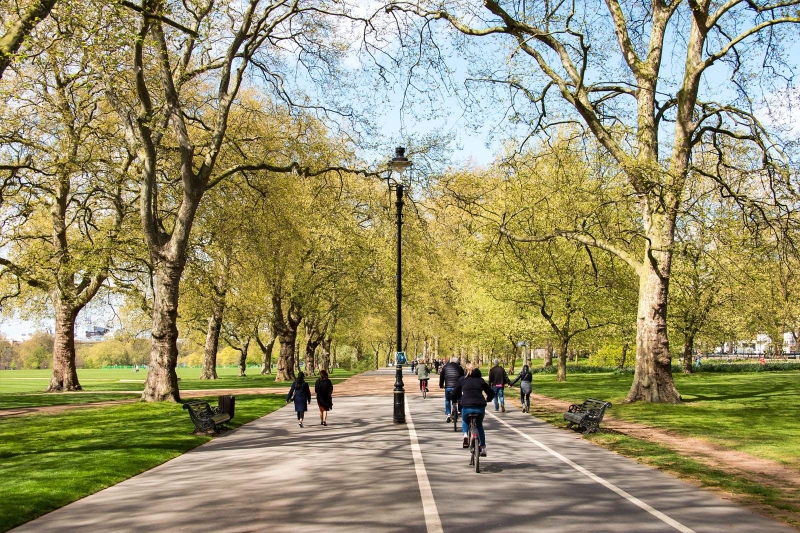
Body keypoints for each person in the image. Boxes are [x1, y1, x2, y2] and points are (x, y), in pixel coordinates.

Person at [453, 366, 494, 457]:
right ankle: (483, 447)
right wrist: (488, 399)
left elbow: (455, 392)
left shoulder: (462, 380)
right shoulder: (481, 381)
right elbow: (491, 393)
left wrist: (454, 399)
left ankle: (465, 435)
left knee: (465, 420)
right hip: (479, 407)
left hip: (466, 406)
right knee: (479, 425)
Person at [439, 357, 464, 422]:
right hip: (457, 387)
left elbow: (441, 377)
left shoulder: (445, 367)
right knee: (460, 398)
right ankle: (460, 411)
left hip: (448, 387)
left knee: (447, 400)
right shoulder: (460, 368)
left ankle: (448, 414)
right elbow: (463, 377)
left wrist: (441, 385)